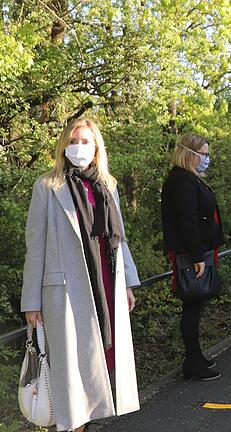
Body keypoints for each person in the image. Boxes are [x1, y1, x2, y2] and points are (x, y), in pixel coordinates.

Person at [20, 118, 140, 432]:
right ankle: (75, 426)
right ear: (63, 145)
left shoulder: (107, 184)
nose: (79, 147)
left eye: (86, 141)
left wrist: (127, 282)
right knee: (71, 372)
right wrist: (31, 301)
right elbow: (35, 245)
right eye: (74, 141)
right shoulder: (47, 186)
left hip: (105, 282)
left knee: (98, 361)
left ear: (97, 147)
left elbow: (119, 238)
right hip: (65, 290)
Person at [161, 133, 224, 381]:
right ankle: (193, 361)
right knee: (192, 304)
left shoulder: (187, 179)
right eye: (203, 154)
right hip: (191, 254)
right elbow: (187, 219)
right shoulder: (182, 181)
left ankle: (195, 357)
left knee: (195, 305)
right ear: (190, 154)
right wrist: (198, 255)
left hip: (196, 251)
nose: (206, 159)